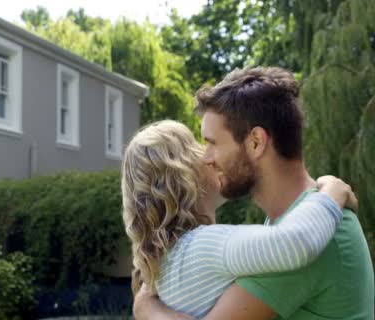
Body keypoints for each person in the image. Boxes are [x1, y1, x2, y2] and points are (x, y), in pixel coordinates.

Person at [133, 67, 374, 320]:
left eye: (212, 143)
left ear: (256, 142)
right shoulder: (294, 221)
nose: (206, 159)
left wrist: (145, 307)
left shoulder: (313, 238)